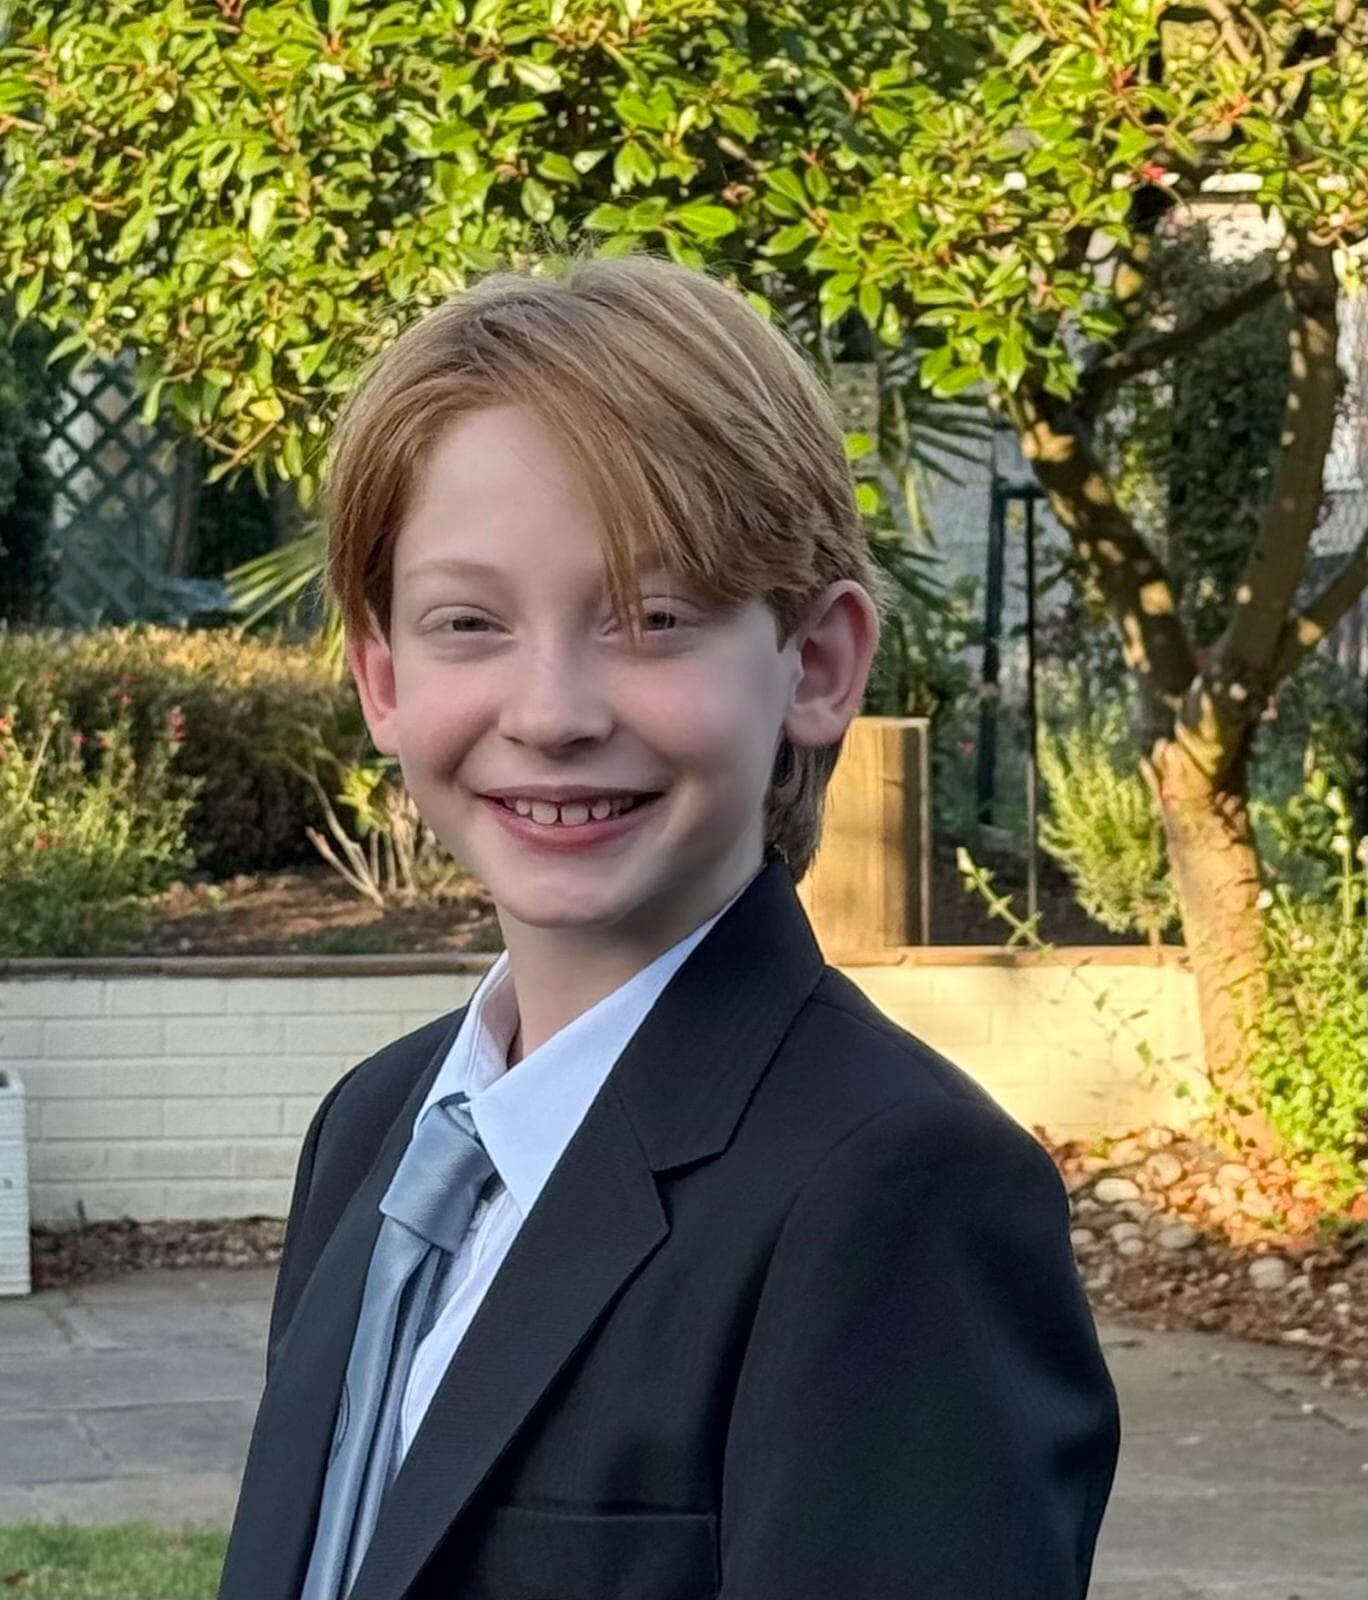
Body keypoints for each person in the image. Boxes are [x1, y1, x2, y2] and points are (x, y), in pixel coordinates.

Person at [219, 250, 1120, 1600]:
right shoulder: (373, 1127)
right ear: (382, 676)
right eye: (469, 621)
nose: (551, 712)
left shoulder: (896, 1194)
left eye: (650, 617)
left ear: (816, 664)